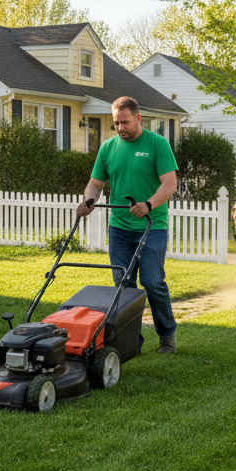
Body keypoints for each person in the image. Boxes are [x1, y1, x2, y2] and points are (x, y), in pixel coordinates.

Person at [77, 97, 179, 354]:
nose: (120, 127)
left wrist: (149, 204)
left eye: (125, 122)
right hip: (120, 229)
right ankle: (132, 341)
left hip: (151, 225)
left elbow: (169, 184)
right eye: (116, 123)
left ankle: (167, 334)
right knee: (123, 284)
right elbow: (96, 184)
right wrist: (88, 200)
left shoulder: (158, 144)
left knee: (153, 281)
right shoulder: (108, 148)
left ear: (138, 118)